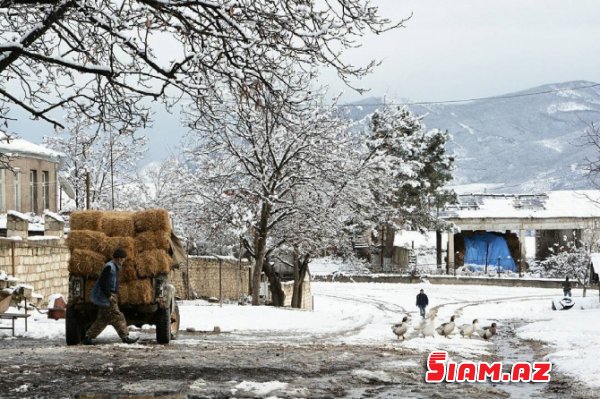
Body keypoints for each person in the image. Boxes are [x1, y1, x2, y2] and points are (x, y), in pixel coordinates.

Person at [83, 249, 138, 345]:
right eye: (122, 259)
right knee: (118, 317)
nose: (123, 261)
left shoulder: (114, 267)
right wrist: (109, 296)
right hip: (108, 296)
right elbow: (103, 283)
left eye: (123, 259)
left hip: (110, 295)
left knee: (102, 320)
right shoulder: (109, 267)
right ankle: (125, 337)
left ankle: (88, 337)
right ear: (117, 258)